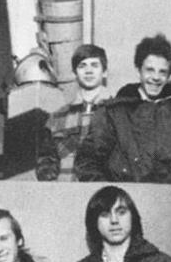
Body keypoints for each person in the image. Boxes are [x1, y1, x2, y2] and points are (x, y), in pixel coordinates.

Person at [73, 33, 171, 184]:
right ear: (139, 71)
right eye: (150, 70)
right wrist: (110, 192)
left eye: (162, 72)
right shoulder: (113, 113)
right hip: (123, 196)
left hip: (169, 196)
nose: (156, 77)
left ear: (168, 76)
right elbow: (87, 160)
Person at [37, 44, 115, 181]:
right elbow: (46, 161)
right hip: (65, 191)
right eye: (82, 66)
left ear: (105, 72)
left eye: (94, 65)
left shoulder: (118, 114)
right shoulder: (56, 118)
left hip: (104, 192)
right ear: (75, 73)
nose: (88, 71)